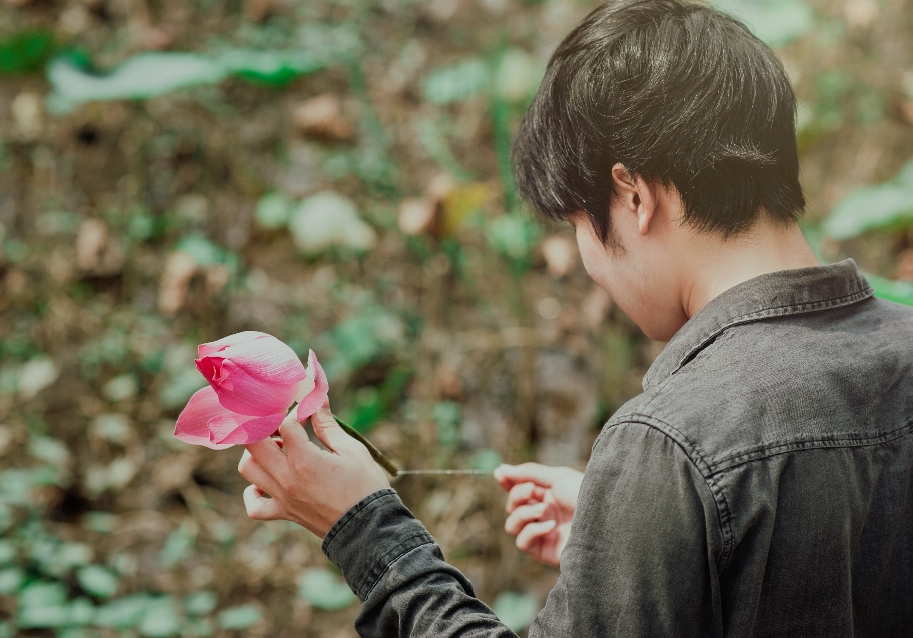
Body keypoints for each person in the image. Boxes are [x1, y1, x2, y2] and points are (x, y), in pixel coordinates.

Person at [236, 0, 913, 635]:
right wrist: (631, 531)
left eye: (578, 227)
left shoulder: (673, 441)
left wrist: (363, 527)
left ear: (633, 195)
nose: (587, 256)